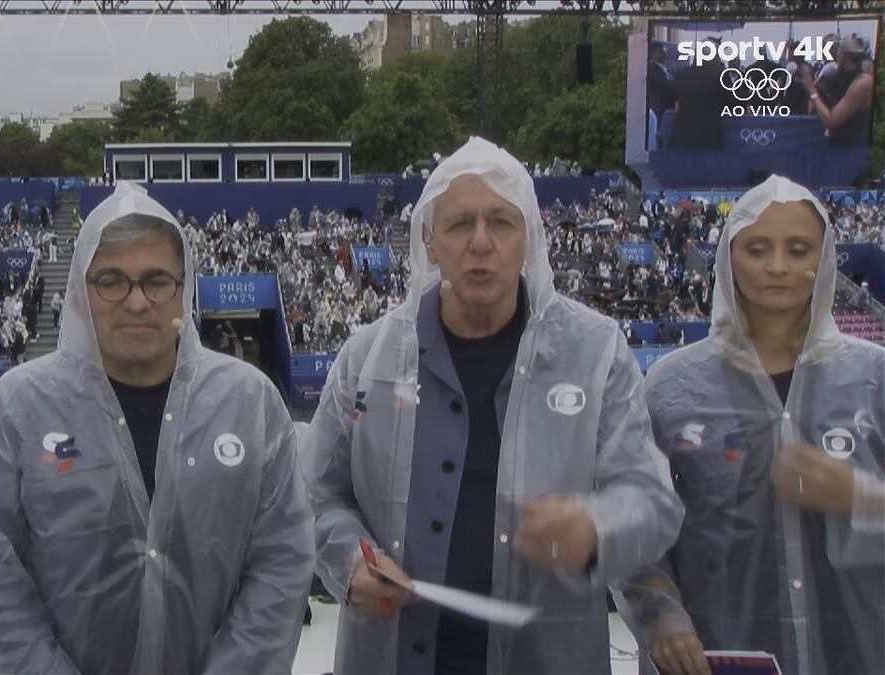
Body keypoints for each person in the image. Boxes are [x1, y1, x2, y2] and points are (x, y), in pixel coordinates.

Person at [305, 137, 683, 674]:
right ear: (429, 242)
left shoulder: (595, 352)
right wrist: (349, 561)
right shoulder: (369, 357)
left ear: (528, 238)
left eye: (501, 223)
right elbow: (318, 494)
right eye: (460, 224)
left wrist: (594, 527)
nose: (480, 243)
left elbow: (651, 498)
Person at [0, 183, 315, 674]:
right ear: (81, 292)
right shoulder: (18, 409)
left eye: (156, 281)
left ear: (184, 287)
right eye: (111, 280)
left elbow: (282, 562)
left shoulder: (250, 403)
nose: (136, 302)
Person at [616, 176, 885, 675]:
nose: (778, 266)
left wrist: (860, 497)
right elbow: (633, 521)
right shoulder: (672, 389)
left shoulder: (875, 378)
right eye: (757, 248)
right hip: (723, 657)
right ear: (727, 260)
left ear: (823, 260)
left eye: (799, 249)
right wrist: (660, 616)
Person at [803, 35, 874, 149]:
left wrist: (811, 89)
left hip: (850, 150)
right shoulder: (839, 77)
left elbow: (831, 121)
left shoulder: (862, 82)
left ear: (844, 54)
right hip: (835, 146)